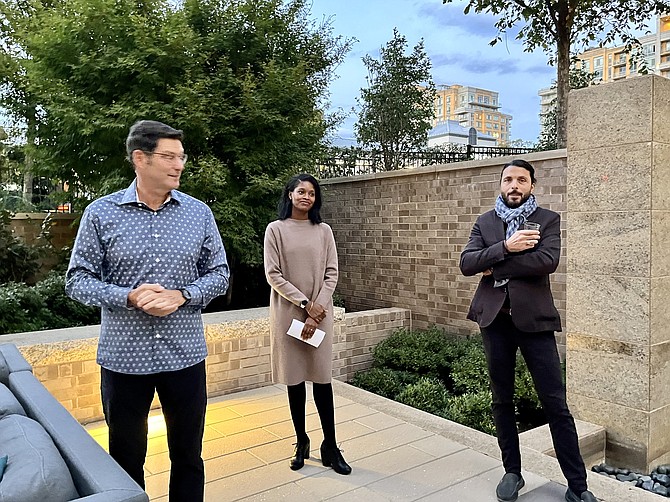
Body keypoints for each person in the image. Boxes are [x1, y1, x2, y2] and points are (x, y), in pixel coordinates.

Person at [66, 120, 229, 501]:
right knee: (125, 459)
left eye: (181, 157)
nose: (179, 165)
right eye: (169, 156)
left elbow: (220, 274)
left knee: (188, 456)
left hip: (185, 356)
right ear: (140, 158)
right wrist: (130, 296)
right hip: (124, 360)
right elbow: (77, 281)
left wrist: (183, 295)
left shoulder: (198, 213)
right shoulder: (101, 214)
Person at [459, 159, 597, 502]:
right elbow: (466, 263)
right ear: (501, 185)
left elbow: (546, 262)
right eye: (509, 179)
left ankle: (578, 487)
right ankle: (512, 472)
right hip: (495, 321)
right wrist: (506, 247)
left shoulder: (548, 220)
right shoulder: (485, 222)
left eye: (522, 179)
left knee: (555, 403)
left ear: (532, 185)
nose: (514, 185)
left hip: (535, 322)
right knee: (502, 400)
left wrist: (493, 263)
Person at [263, 173, 351, 475]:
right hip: (289, 316)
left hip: (320, 317)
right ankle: (301, 441)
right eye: (301, 191)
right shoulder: (275, 230)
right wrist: (304, 305)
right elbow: (273, 275)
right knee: (295, 380)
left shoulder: (323, 230)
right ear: (289, 195)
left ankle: (331, 445)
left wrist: (316, 310)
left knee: (322, 380)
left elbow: (332, 273)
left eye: (312, 193)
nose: (306, 197)